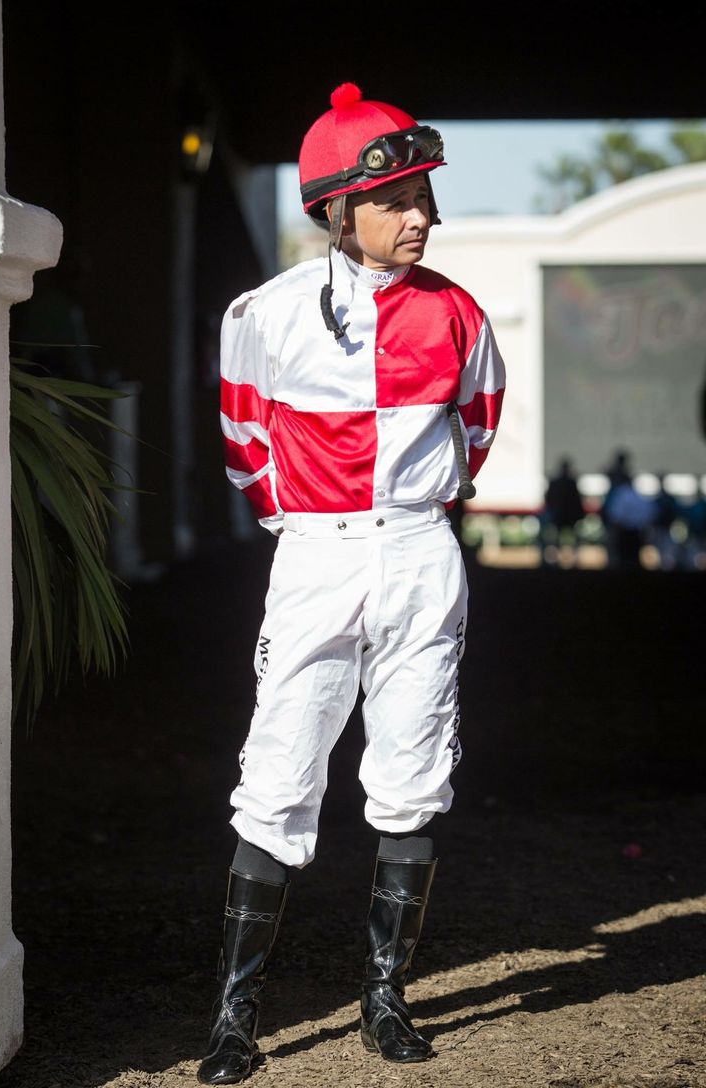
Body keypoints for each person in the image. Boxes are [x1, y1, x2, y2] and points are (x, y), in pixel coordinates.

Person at [197, 82, 506, 1085]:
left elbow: (477, 428)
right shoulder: (265, 313)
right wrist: (313, 525)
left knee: (412, 773)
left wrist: (406, 518)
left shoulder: (458, 312)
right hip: (318, 555)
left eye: (424, 197)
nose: (419, 216)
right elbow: (245, 442)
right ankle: (234, 1017)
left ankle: (384, 997)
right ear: (337, 208)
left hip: (418, 551)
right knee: (279, 773)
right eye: (396, 200)